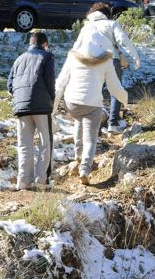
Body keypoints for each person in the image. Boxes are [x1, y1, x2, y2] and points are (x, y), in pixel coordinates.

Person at [54, 32, 128, 185]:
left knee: (79, 120)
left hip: (71, 102)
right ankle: (84, 169)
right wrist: (125, 99)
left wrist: (53, 108)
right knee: (91, 139)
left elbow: (60, 82)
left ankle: (78, 156)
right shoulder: (106, 60)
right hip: (92, 104)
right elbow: (115, 87)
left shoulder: (72, 57)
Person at [73, 2, 139, 134]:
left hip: (91, 63)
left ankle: (91, 125)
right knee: (115, 92)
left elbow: (76, 48)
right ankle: (113, 124)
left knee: (93, 92)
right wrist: (135, 57)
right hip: (110, 60)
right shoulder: (111, 24)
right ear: (106, 14)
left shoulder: (86, 27)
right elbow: (123, 40)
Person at [7, 32, 56, 191]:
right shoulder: (47, 56)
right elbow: (50, 81)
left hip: (20, 107)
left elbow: (9, 86)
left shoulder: (19, 59)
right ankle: (41, 180)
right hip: (41, 106)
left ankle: (23, 181)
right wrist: (51, 99)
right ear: (44, 44)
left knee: (24, 145)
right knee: (45, 142)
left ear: (31, 43)